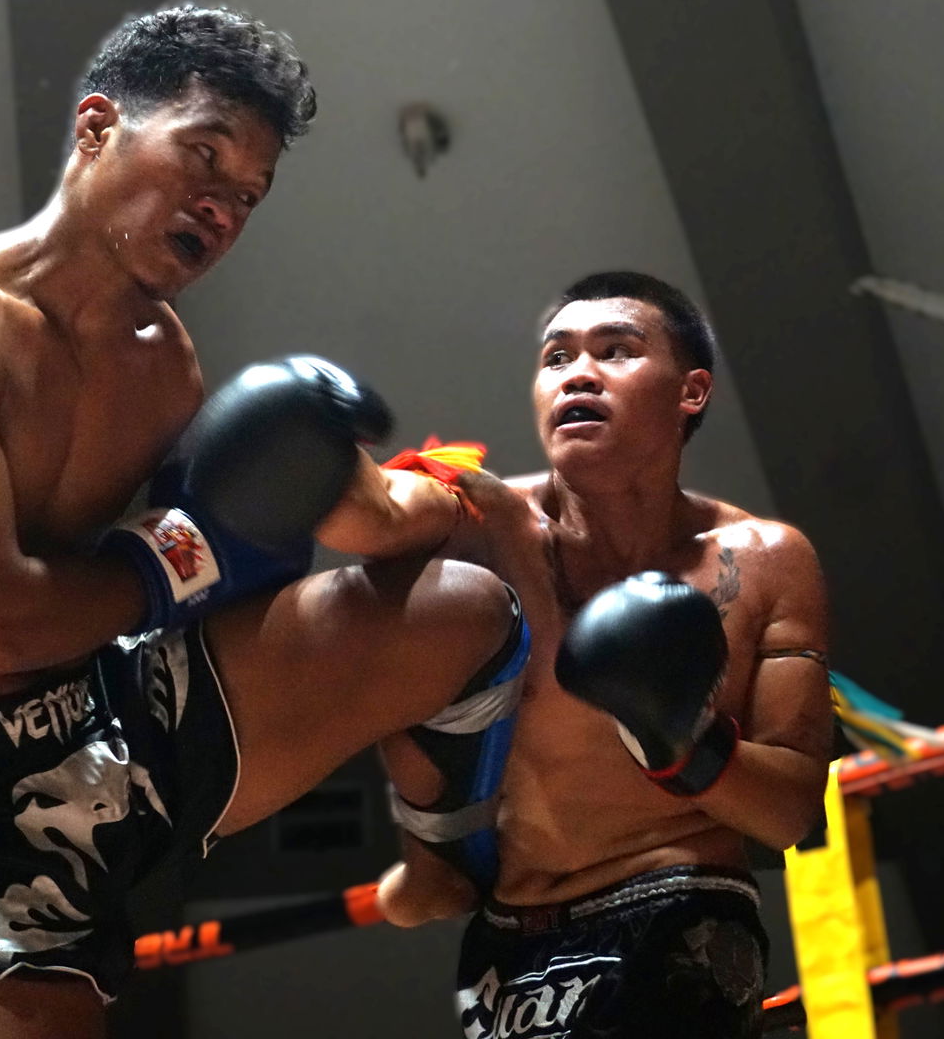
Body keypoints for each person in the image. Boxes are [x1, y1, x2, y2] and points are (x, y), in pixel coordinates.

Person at [0, 4, 529, 1039]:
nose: (220, 207)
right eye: (202, 157)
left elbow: (330, 521)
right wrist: (197, 550)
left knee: (462, 610)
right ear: (99, 127)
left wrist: (422, 495)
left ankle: (442, 866)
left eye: (246, 195)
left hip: (110, 706)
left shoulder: (164, 363)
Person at [317, 271, 833, 1038]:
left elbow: (791, 811)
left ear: (690, 392)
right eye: (557, 358)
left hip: (675, 906)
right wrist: (315, 453)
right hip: (507, 944)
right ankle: (431, 858)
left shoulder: (764, 560)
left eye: (616, 350)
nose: (579, 373)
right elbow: (370, 522)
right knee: (408, 597)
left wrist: (680, 745)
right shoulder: (480, 517)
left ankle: (428, 868)